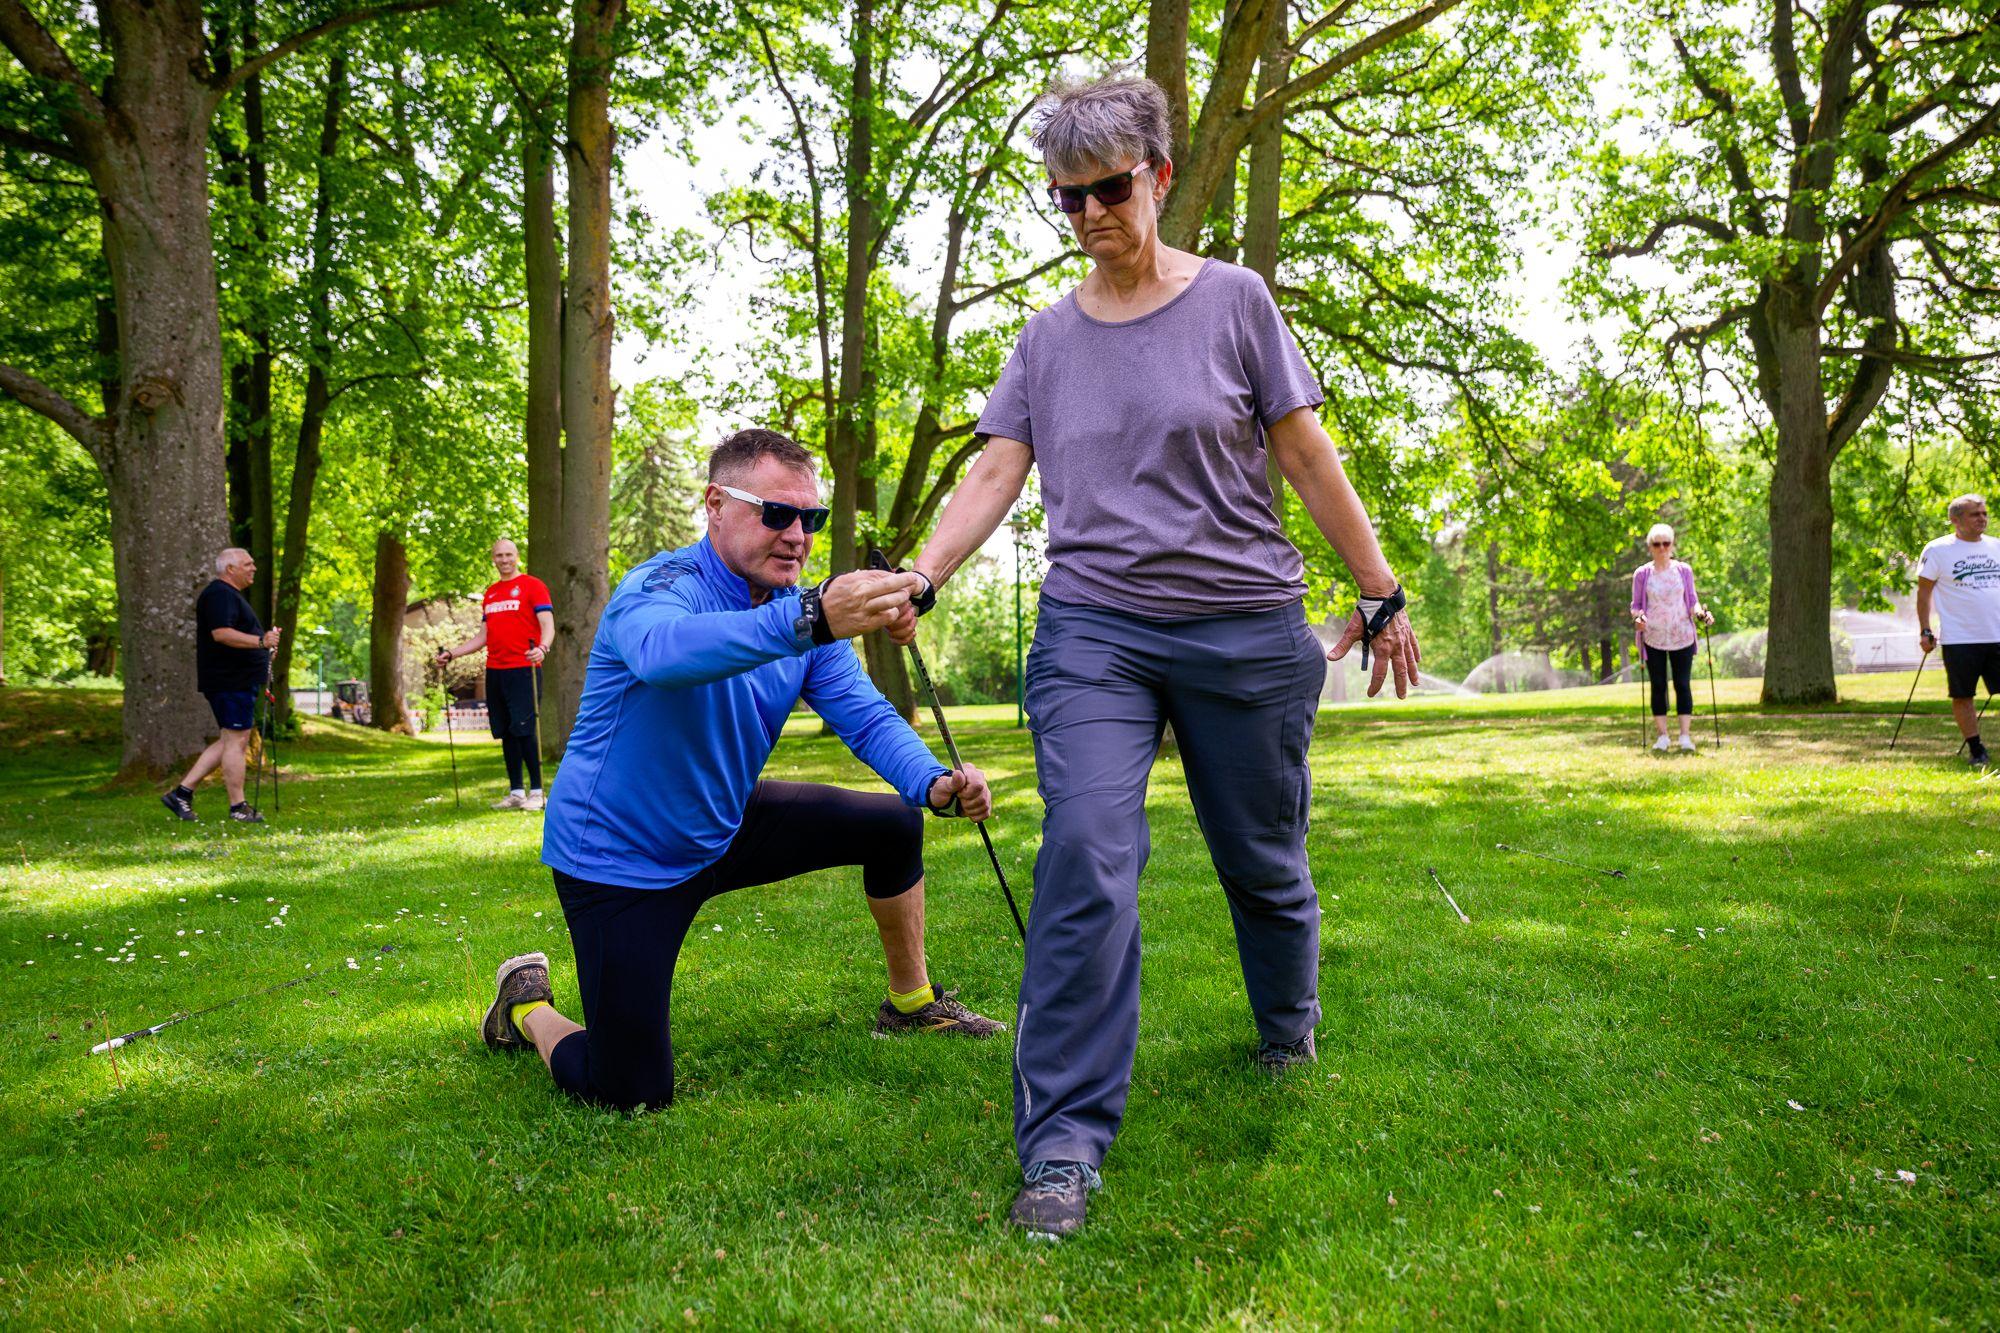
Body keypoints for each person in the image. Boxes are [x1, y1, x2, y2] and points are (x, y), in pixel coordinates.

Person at [898, 74, 1421, 1239]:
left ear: (1159, 178)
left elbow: (1304, 455)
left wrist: (1378, 591)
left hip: (1242, 627)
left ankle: (1287, 1021)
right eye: (1064, 197)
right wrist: (925, 574)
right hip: (1095, 630)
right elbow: (993, 469)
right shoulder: (1044, 339)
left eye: (1107, 188)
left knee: (1260, 860)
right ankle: (1065, 1143)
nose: (1087, 213)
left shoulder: (1234, 301)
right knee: (1085, 854)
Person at [479, 428, 1006, 1112]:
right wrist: (813, 618)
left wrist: (935, 782)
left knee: (891, 824)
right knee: (629, 1092)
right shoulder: (661, 588)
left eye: (809, 519)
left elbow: (868, 718)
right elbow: (664, 652)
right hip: (619, 860)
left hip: (721, 823)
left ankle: (911, 1003)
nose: (797, 535)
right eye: (776, 513)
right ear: (715, 504)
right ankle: (526, 1004)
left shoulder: (798, 617)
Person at [160, 548, 281, 824]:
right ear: (230, 569)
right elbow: (221, 633)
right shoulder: (219, 594)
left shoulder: (229, 595)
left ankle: (181, 793)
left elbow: (237, 634)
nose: (254, 568)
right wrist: (260, 642)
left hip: (235, 679)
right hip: (230, 680)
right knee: (237, 741)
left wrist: (264, 645)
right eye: (248, 564)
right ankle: (237, 806)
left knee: (230, 739)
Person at [437, 539, 554, 810]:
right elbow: (483, 636)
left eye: (508, 554)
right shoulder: (490, 594)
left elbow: (548, 624)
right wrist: (452, 654)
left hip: (524, 668)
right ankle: (516, 792)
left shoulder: (533, 586)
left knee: (525, 729)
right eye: (499, 555)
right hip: (496, 670)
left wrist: (543, 648)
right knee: (505, 731)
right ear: (493, 559)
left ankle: (537, 792)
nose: (504, 559)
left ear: (517, 556)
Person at [1916, 494, 1998, 767]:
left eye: (1984, 513)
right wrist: (1925, 630)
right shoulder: (1938, 550)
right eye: (1975, 514)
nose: (1982, 519)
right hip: (1961, 638)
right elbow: (1924, 594)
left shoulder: (1996, 547)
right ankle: (1977, 750)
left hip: (1997, 634)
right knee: (1963, 695)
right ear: (1955, 519)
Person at [1631, 523, 1713, 753]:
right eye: (1656, 544)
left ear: (1672, 544)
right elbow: (1636, 605)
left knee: (1682, 684)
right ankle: (1663, 736)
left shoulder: (1683, 570)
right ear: (1650, 547)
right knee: (1658, 685)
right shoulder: (1642, 574)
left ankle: (1685, 737)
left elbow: (1692, 599)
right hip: (1653, 636)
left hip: (1682, 635)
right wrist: (1639, 618)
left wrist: (1699, 613)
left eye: (1666, 543)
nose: (1662, 548)